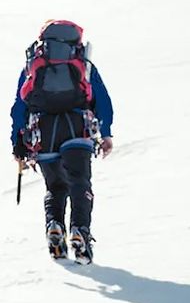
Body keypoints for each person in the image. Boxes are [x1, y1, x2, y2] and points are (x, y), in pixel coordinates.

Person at [10, 21, 114, 264]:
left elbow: (19, 106)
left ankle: (54, 227)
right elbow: (102, 99)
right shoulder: (82, 62)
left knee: (55, 186)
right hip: (77, 126)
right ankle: (80, 231)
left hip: (43, 132)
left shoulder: (33, 64)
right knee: (79, 181)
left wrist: (18, 142)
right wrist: (106, 132)